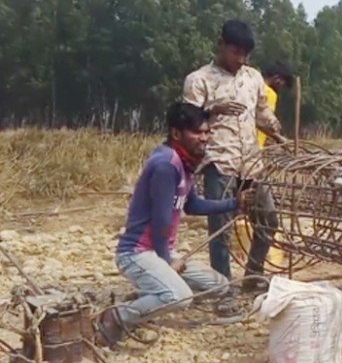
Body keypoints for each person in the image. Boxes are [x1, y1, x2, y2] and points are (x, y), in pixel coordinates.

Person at [96, 102, 252, 347]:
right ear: (176, 133)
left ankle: (149, 296)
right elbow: (161, 221)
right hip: (138, 253)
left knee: (219, 284)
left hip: (158, 251)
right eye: (197, 132)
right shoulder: (166, 165)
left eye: (206, 132)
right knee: (179, 297)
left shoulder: (185, 163)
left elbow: (193, 206)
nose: (204, 138)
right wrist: (167, 260)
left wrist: (235, 204)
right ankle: (117, 316)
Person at [183, 19, 284, 296]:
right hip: (220, 162)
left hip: (251, 163)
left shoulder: (252, 78)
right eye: (235, 52)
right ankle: (223, 289)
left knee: (269, 219)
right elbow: (188, 121)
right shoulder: (199, 80)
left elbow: (262, 113)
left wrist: (275, 129)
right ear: (221, 45)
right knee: (221, 229)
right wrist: (212, 108)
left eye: (245, 54)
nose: (241, 59)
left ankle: (253, 274)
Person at [257, 60, 294, 148]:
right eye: (283, 82)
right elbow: (264, 122)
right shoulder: (269, 94)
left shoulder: (252, 86)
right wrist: (278, 138)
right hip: (254, 146)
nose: (282, 86)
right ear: (277, 78)